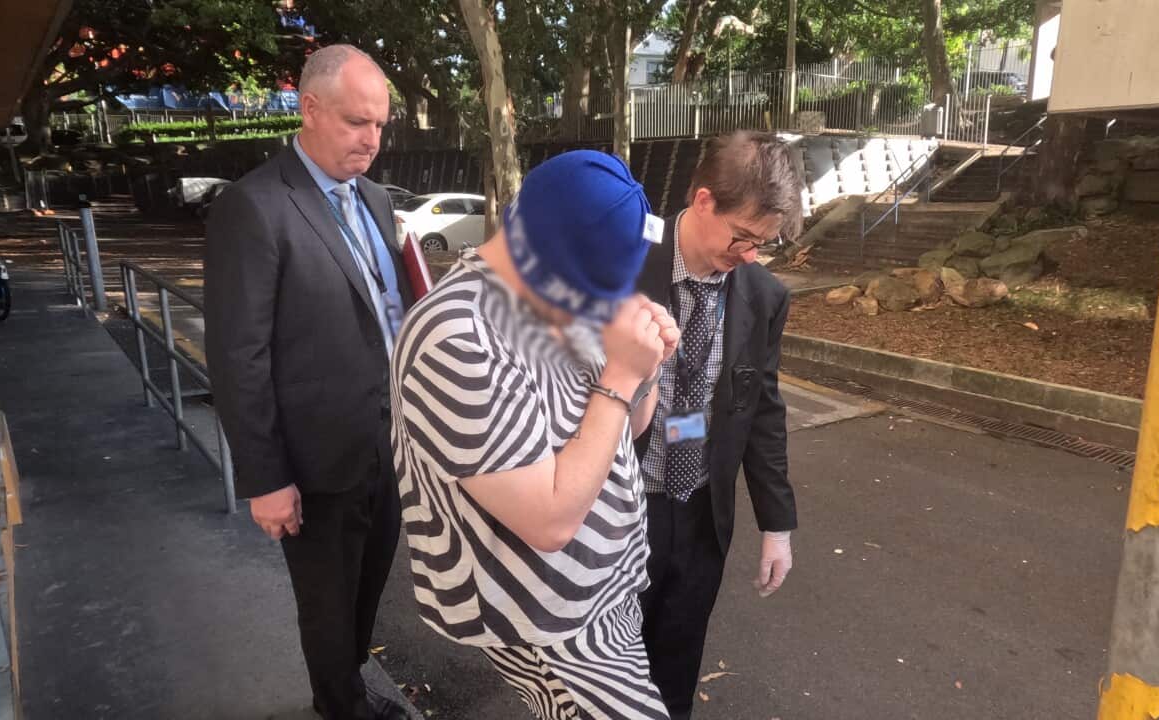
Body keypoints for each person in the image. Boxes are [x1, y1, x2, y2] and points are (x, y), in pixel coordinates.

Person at [391, 150, 678, 720]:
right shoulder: (457, 333)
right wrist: (621, 375)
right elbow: (549, 521)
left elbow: (627, 431)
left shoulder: (560, 301)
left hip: (602, 594)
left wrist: (647, 367)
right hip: (548, 616)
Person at [204, 44, 412, 720]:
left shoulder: (375, 199)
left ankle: (348, 687)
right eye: (357, 122)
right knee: (326, 603)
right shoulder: (255, 206)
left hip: (389, 444)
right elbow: (238, 356)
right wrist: (265, 479)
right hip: (315, 460)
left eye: (379, 124)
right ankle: (340, 706)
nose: (372, 140)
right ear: (310, 108)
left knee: (367, 588)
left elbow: (387, 312)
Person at [635, 130, 802, 719]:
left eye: (764, 243)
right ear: (703, 200)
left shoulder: (763, 295)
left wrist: (777, 526)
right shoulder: (624, 257)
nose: (750, 254)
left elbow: (762, 410)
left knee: (676, 667)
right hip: (619, 505)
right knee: (605, 671)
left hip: (702, 512)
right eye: (744, 236)